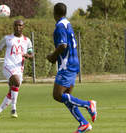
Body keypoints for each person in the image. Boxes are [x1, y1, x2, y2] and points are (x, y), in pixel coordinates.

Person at [46, 3, 97, 133]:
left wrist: (52, 56)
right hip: (73, 62)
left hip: (66, 65)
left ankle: (88, 104)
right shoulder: (67, 23)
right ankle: (84, 123)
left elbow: (63, 45)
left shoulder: (60, 26)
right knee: (67, 97)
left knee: (57, 95)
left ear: (54, 13)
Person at [0, 20, 33, 119]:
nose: (18, 27)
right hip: (8, 66)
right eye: (16, 25)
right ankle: (14, 109)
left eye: (20, 25)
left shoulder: (27, 40)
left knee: (12, 91)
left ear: (23, 27)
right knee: (16, 81)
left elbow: (31, 54)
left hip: (19, 67)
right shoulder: (7, 38)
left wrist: (28, 55)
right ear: (13, 26)